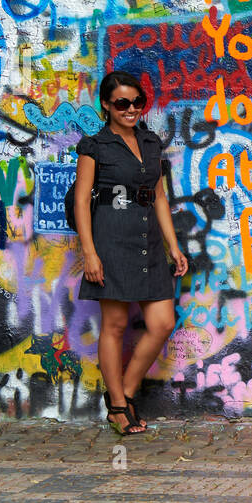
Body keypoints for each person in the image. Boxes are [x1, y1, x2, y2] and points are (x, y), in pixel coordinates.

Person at [73, 71, 188, 435]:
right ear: (106, 105)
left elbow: (158, 197)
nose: (131, 109)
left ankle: (124, 393)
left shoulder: (151, 143)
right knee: (116, 325)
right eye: (122, 103)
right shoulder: (95, 146)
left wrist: (173, 245)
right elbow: (80, 201)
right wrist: (90, 254)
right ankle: (120, 406)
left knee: (162, 323)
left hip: (148, 242)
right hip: (111, 240)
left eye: (138, 102)